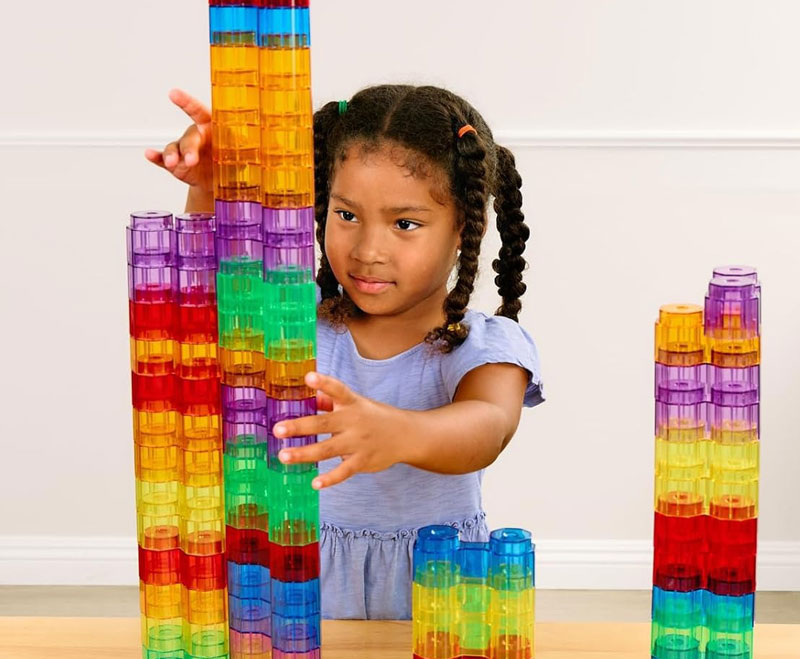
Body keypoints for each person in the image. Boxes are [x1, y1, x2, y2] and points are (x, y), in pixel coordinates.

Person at [146, 84, 545, 620]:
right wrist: (212, 190)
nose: (367, 250)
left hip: (430, 602)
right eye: (347, 215)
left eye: (405, 224)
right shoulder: (298, 319)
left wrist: (398, 431)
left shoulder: (480, 344)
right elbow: (208, 299)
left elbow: (488, 425)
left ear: (462, 232)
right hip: (293, 590)